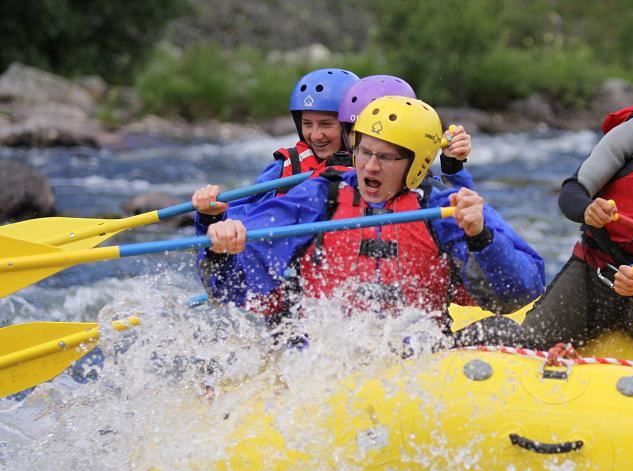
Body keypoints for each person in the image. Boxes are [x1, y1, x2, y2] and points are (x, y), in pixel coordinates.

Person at [456, 46, 633, 349]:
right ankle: (458, 344)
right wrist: (588, 210)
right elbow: (572, 191)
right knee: (530, 344)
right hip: (595, 273)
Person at [194, 96, 545, 329]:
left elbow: (521, 293)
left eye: (387, 157)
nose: (370, 167)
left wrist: (481, 237)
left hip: (418, 358)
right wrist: (216, 237)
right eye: (364, 152)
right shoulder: (318, 197)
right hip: (322, 357)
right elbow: (229, 289)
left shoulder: (444, 208)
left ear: (417, 162)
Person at [191, 68, 359, 215]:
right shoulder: (281, 170)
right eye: (307, 124)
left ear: (349, 126)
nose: (315, 135)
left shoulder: (372, 167)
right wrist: (212, 215)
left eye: (326, 124)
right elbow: (246, 215)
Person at [336, 75, 476, 189]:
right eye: (357, 133)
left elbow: (468, 211)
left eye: (383, 136)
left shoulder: (427, 191)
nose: (372, 143)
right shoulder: (330, 185)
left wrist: (452, 166)